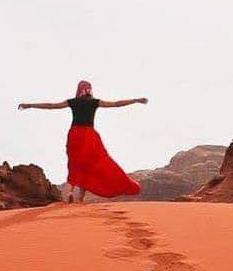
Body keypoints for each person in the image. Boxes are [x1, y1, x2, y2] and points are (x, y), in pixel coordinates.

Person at [18, 80, 148, 203]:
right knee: (89, 164)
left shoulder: (73, 102)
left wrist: (29, 105)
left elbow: (51, 106)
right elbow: (116, 104)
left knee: (74, 164)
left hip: (75, 134)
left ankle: (69, 193)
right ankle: (80, 199)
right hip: (89, 135)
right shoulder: (94, 102)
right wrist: (135, 100)